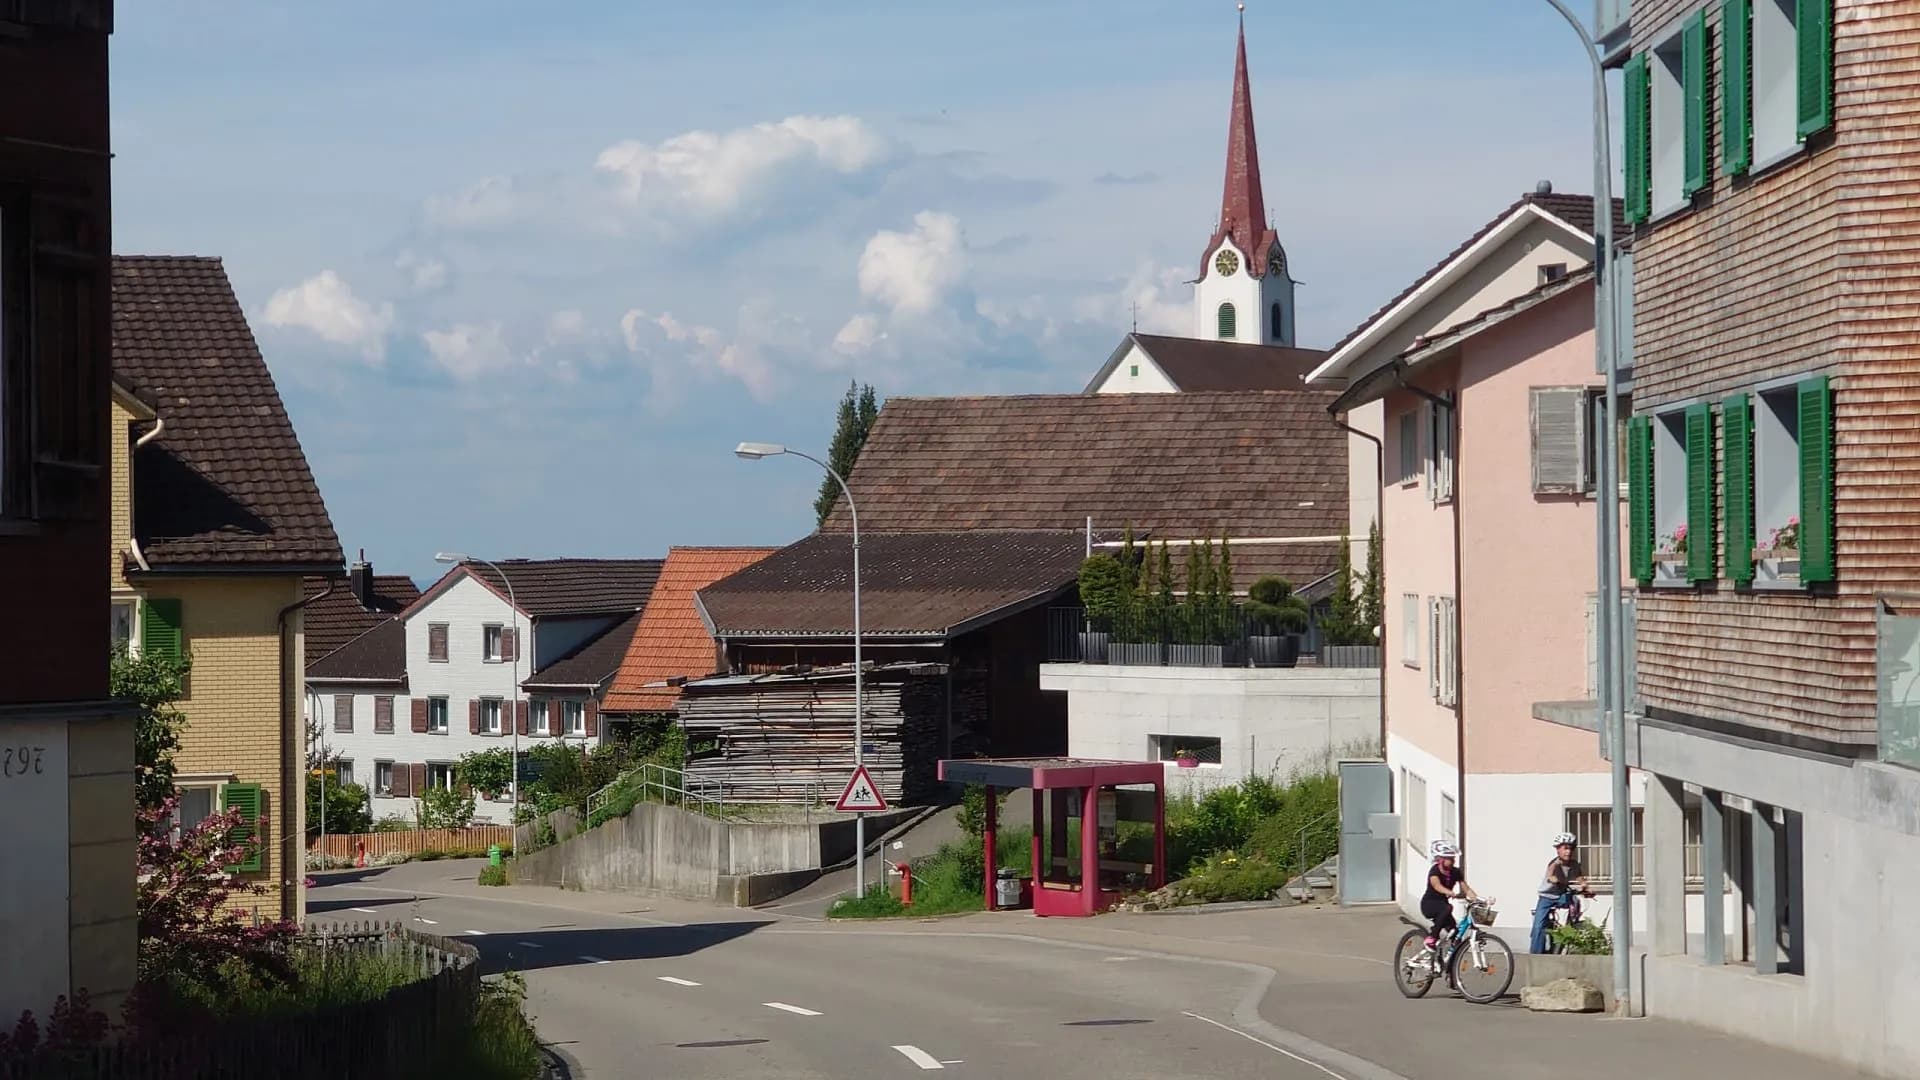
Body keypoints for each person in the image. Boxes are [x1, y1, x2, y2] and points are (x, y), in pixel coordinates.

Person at [1529, 832, 1591, 954]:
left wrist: (1585, 887)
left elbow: (1579, 877)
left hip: (1562, 895)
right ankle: (1536, 954)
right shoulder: (1555, 863)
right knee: (1538, 926)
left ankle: (1568, 932)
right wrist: (1553, 879)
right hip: (1547, 897)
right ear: (1558, 850)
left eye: (1570, 848)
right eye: (1565, 848)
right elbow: (1550, 875)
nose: (1568, 852)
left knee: (1575, 905)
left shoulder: (1574, 864)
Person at [1420, 839, 1477, 949]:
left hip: (1443, 908)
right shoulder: (1435, 871)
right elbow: (1437, 886)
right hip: (1429, 904)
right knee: (1448, 907)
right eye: (1450, 858)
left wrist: (1478, 899)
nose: (1453, 861)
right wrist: (1449, 892)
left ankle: (1448, 963)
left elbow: (1466, 888)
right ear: (1441, 859)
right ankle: (1432, 938)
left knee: (1454, 933)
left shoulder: (1455, 872)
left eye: (1453, 858)